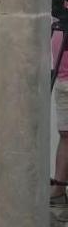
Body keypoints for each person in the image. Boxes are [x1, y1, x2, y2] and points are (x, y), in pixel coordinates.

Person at [52, 28, 68, 206]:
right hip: (63, 80)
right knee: (65, 135)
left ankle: (58, 190)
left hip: (64, 80)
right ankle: (58, 189)